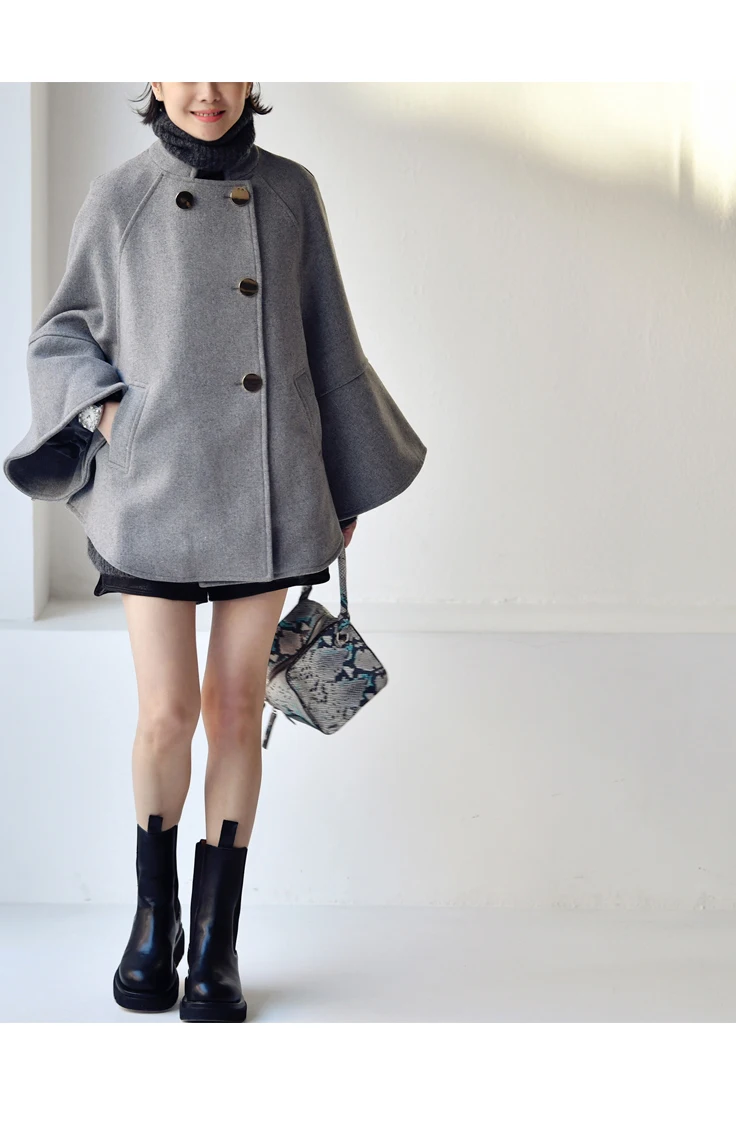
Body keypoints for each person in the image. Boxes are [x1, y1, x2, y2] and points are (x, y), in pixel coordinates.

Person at [3, 81, 427, 1023]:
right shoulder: (122, 194)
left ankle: (216, 944)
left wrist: (340, 480)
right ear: (155, 79)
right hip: (152, 488)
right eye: (185, 65)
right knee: (167, 713)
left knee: (235, 710)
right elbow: (62, 329)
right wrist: (108, 413)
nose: (206, 90)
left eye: (227, 62)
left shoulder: (290, 191)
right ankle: (154, 922)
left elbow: (329, 340)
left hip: (266, 483)